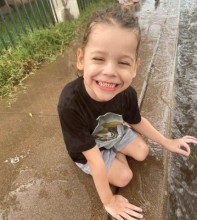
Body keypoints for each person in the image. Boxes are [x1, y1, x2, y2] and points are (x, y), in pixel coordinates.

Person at [57, 5, 197, 220]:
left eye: (123, 62)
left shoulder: (126, 93)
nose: (110, 71)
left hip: (110, 130)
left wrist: (167, 142)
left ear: (134, 67)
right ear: (81, 59)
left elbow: (138, 121)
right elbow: (95, 160)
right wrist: (109, 201)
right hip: (87, 151)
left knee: (142, 152)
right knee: (124, 177)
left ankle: (118, 148)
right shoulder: (70, 103)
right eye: (99, 59)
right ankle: (116, 154)